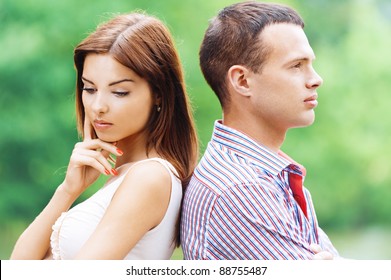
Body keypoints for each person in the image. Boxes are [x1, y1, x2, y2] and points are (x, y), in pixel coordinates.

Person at [11, 12, 198, 260]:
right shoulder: (126, 174)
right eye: (89, 88)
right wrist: (68, 189)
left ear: (159, 94)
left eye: (119, 92)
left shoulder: (150, 177)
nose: (98, 106)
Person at [181, 1, 339, 260]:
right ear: (242, 81)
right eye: (296, 66)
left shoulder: (270, 176)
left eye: (310, 63)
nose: (315, 79)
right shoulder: (240, 189)